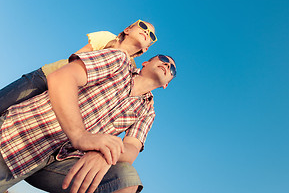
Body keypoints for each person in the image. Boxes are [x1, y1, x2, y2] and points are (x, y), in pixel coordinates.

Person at [0, 50, 176, 193]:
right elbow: (62, 77)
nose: (167, 65)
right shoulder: (120, 62)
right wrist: (79, 135)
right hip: (23, 136)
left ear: (166, 84)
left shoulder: (147, 111)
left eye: (172, 69)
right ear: (145, 63)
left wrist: (105, 154)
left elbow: (131, 149)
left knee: (125, 178)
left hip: (62, 162)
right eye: (163, 59)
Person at [0, 20, 157, 114]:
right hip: (47, 77)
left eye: (151, 35)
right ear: (127, 29)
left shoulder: (129, 68)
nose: (146, 31)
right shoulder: (107, 37)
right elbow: (75, 57)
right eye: (143, 26)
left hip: (65, 97)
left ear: (146, 49)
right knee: (4, 102)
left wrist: (149, 96)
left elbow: (136, 85)